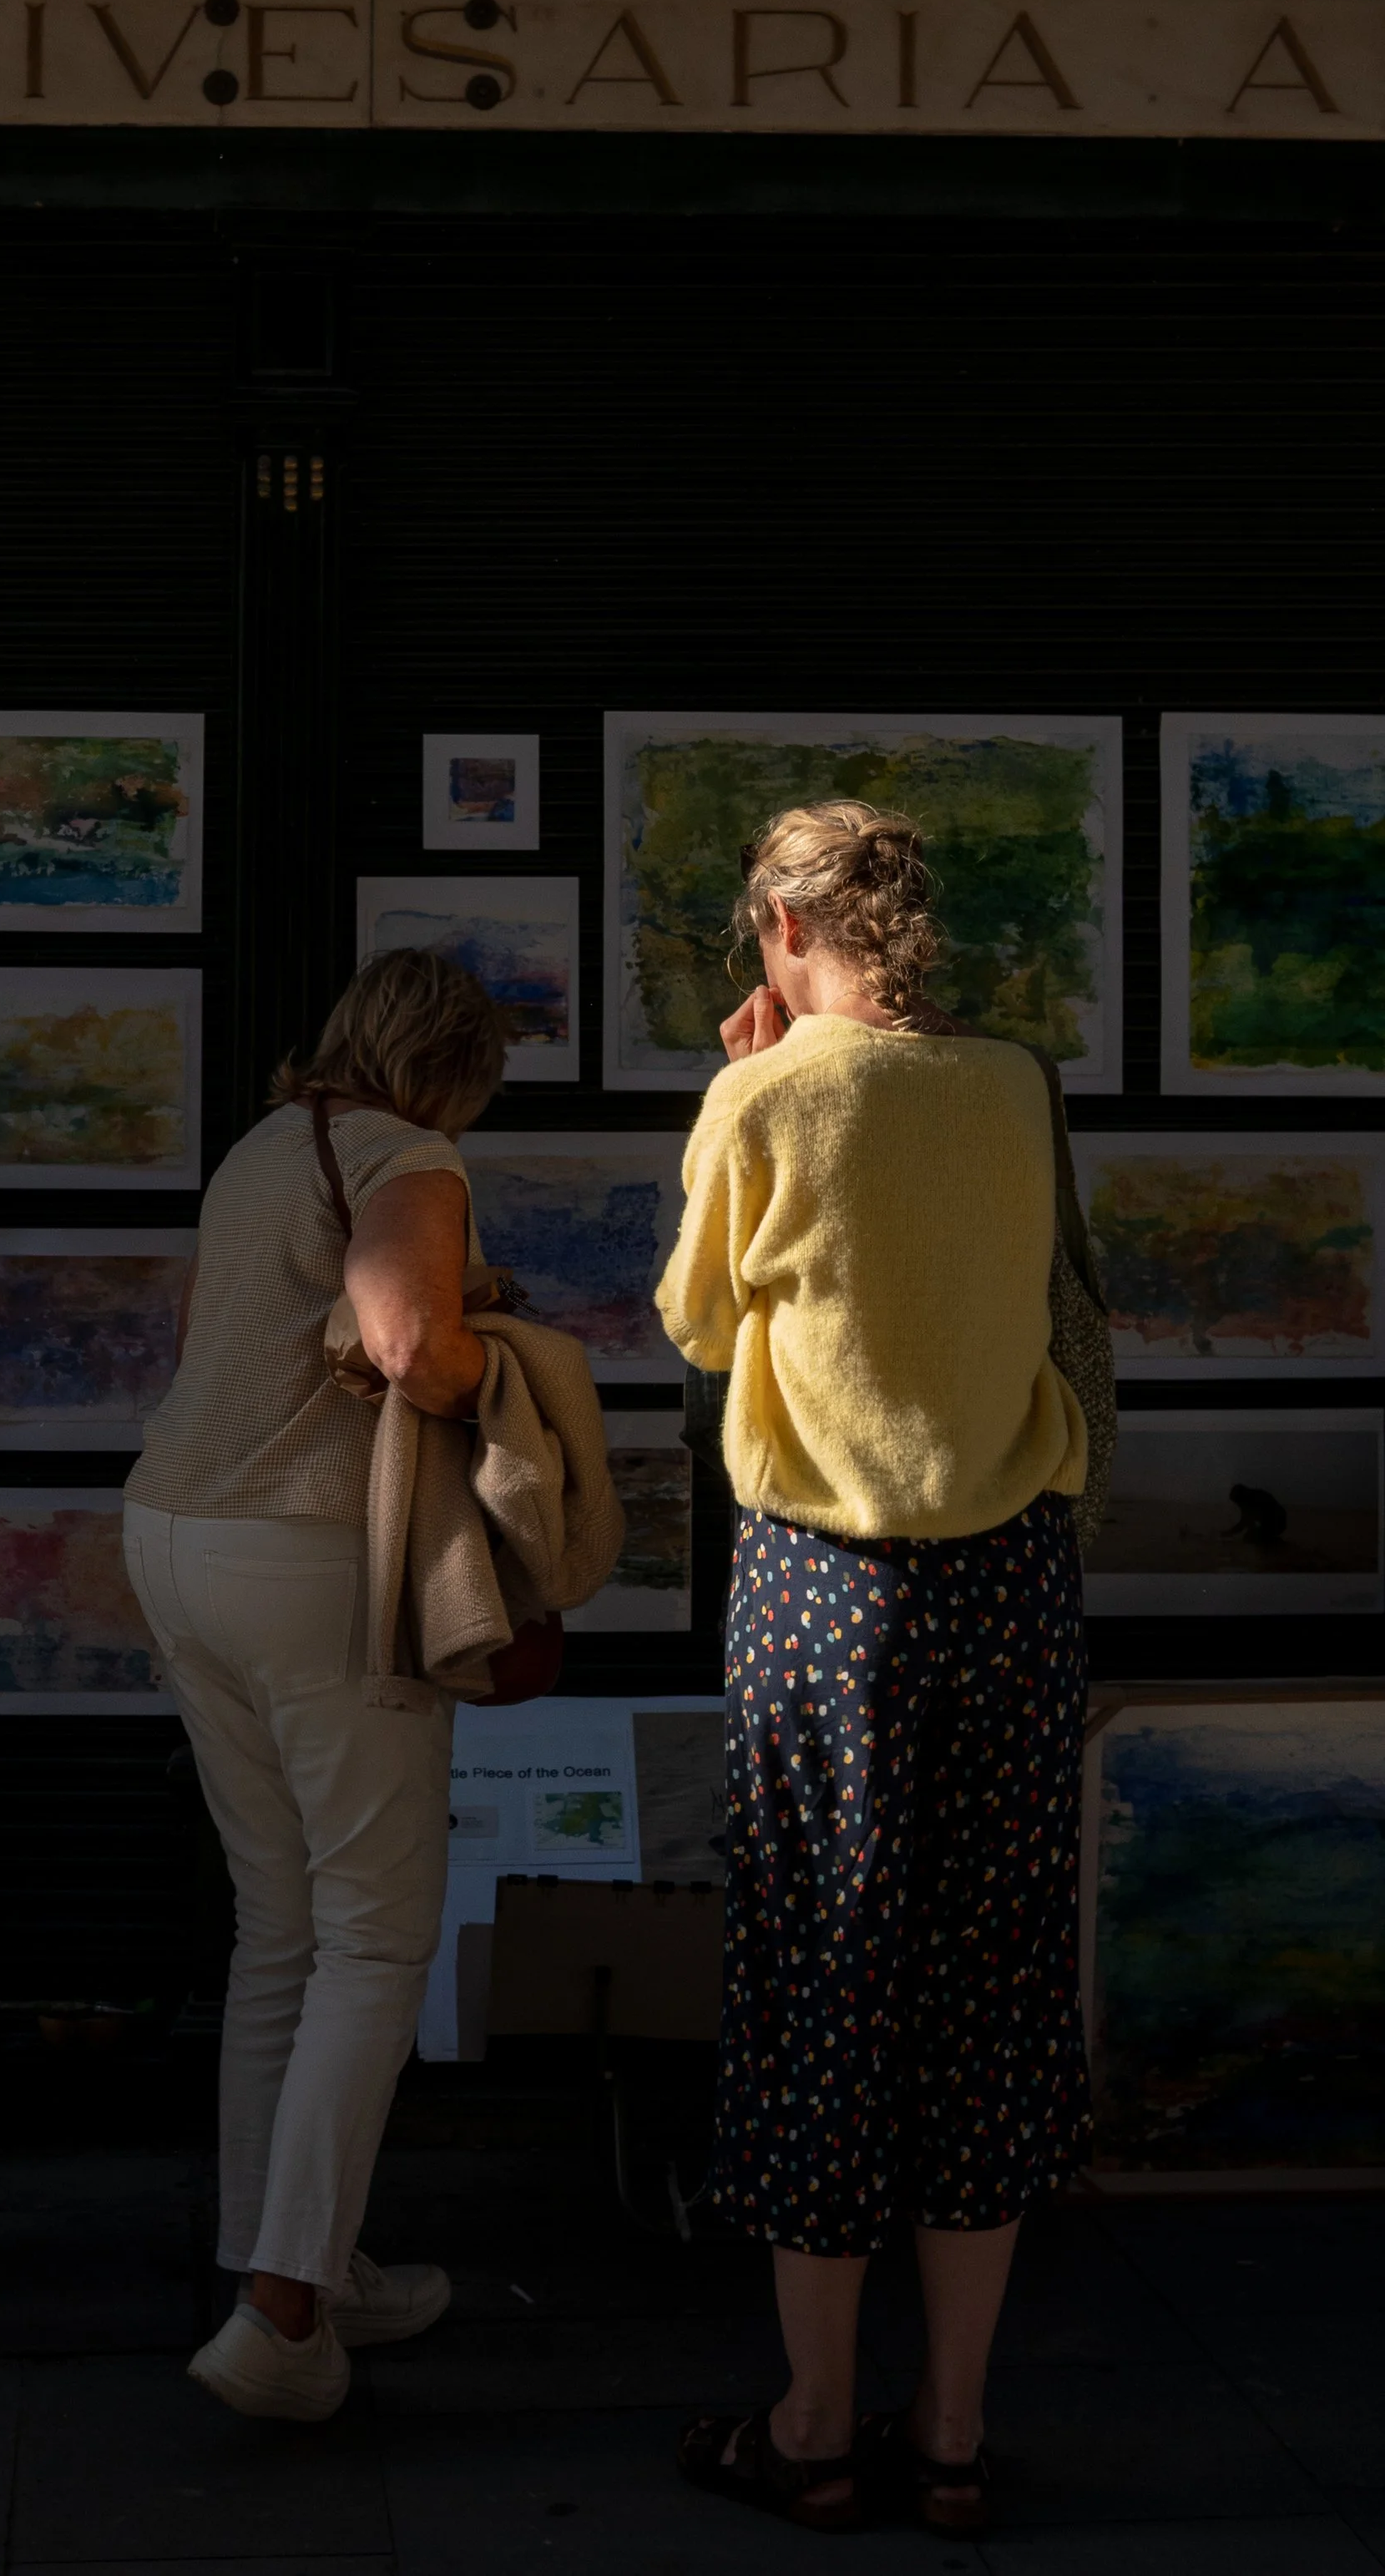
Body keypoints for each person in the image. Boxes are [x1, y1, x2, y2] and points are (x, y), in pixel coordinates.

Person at [655, 802, 1094, 2538]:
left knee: (817, 1973)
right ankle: (953, 2429)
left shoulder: (762, 1094)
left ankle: (816, 2420)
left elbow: (696, 1318)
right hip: (1008, 1579)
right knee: (983, 1988)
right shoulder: (1012, 1084)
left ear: (778, 927)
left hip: (825, 1587)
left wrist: (742, 1087)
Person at [123, 949, 505, 2422]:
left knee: (280, 1923)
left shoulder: (262, 1147)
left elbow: (204, 1342)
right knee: (374, 1936)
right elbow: (416, 1350)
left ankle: (294, 2257)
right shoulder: (411, 1152)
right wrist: (509, 1357)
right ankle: (285, 2316)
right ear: (453, 1066)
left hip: (174, 1532)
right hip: (305, 1554)